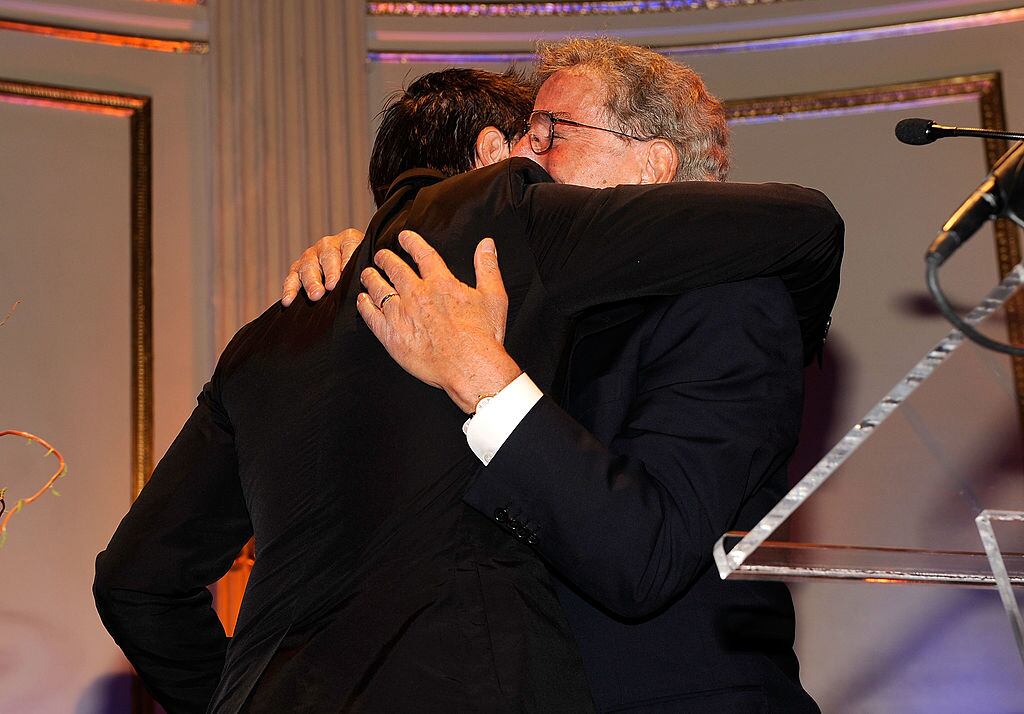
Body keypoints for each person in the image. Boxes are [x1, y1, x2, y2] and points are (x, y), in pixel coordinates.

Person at [94, 56, 840, 714]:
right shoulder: (471, 293)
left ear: (653, 170)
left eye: (551, 135)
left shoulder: (731, 305)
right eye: (520, 143)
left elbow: (642, 552)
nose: (523, 159)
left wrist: (481, 374)